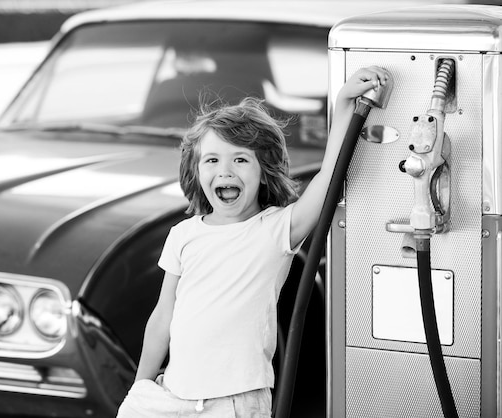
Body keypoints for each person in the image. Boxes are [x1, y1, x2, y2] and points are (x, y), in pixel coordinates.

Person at [116, 66, 389, 417]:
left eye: (241, 160)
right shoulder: (183, 235)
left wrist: (343, 102)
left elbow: (329, 176)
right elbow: (162, 317)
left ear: (264, 173)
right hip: (171, 395)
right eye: (212, 160)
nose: (225, 171)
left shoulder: (274, 230)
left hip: (235, 402)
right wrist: (141, 386)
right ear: (196, 172)